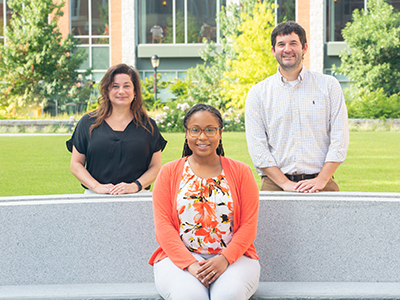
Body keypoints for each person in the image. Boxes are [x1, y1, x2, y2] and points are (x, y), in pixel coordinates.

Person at [149, 104, 260, 300]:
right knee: (189, 296)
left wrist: (224, 259)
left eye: (210, 130)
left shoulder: (241, 172)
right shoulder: (169, 172)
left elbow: (249, 226)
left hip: (235, 258)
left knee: (228, 294)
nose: (203, 137)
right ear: (186, 133)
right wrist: (190, 264)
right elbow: (163, 227)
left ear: (220, 133)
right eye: (195, 130)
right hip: (179, 259)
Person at [245, 21, 349, 193]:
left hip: (321, 183)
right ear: (273, 50)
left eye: (293, 43)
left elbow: (340, 139)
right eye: (281, 44)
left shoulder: (329, 86)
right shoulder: (258, 93)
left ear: (304, 48)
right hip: (275, 185)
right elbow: (258, 149)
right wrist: (285, 184)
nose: (287, 49)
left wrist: (321, 180)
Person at [66, 63, 167, 195]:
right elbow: (76, 165)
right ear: (107, 90)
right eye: (115, 86)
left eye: (127, 86)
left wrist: (135, 186)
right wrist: (97, 187)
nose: (121, 91)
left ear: (135, 91)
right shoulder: (88, 123)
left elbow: (155, 166)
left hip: (137, 197)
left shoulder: (149, 126)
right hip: (96, 197)